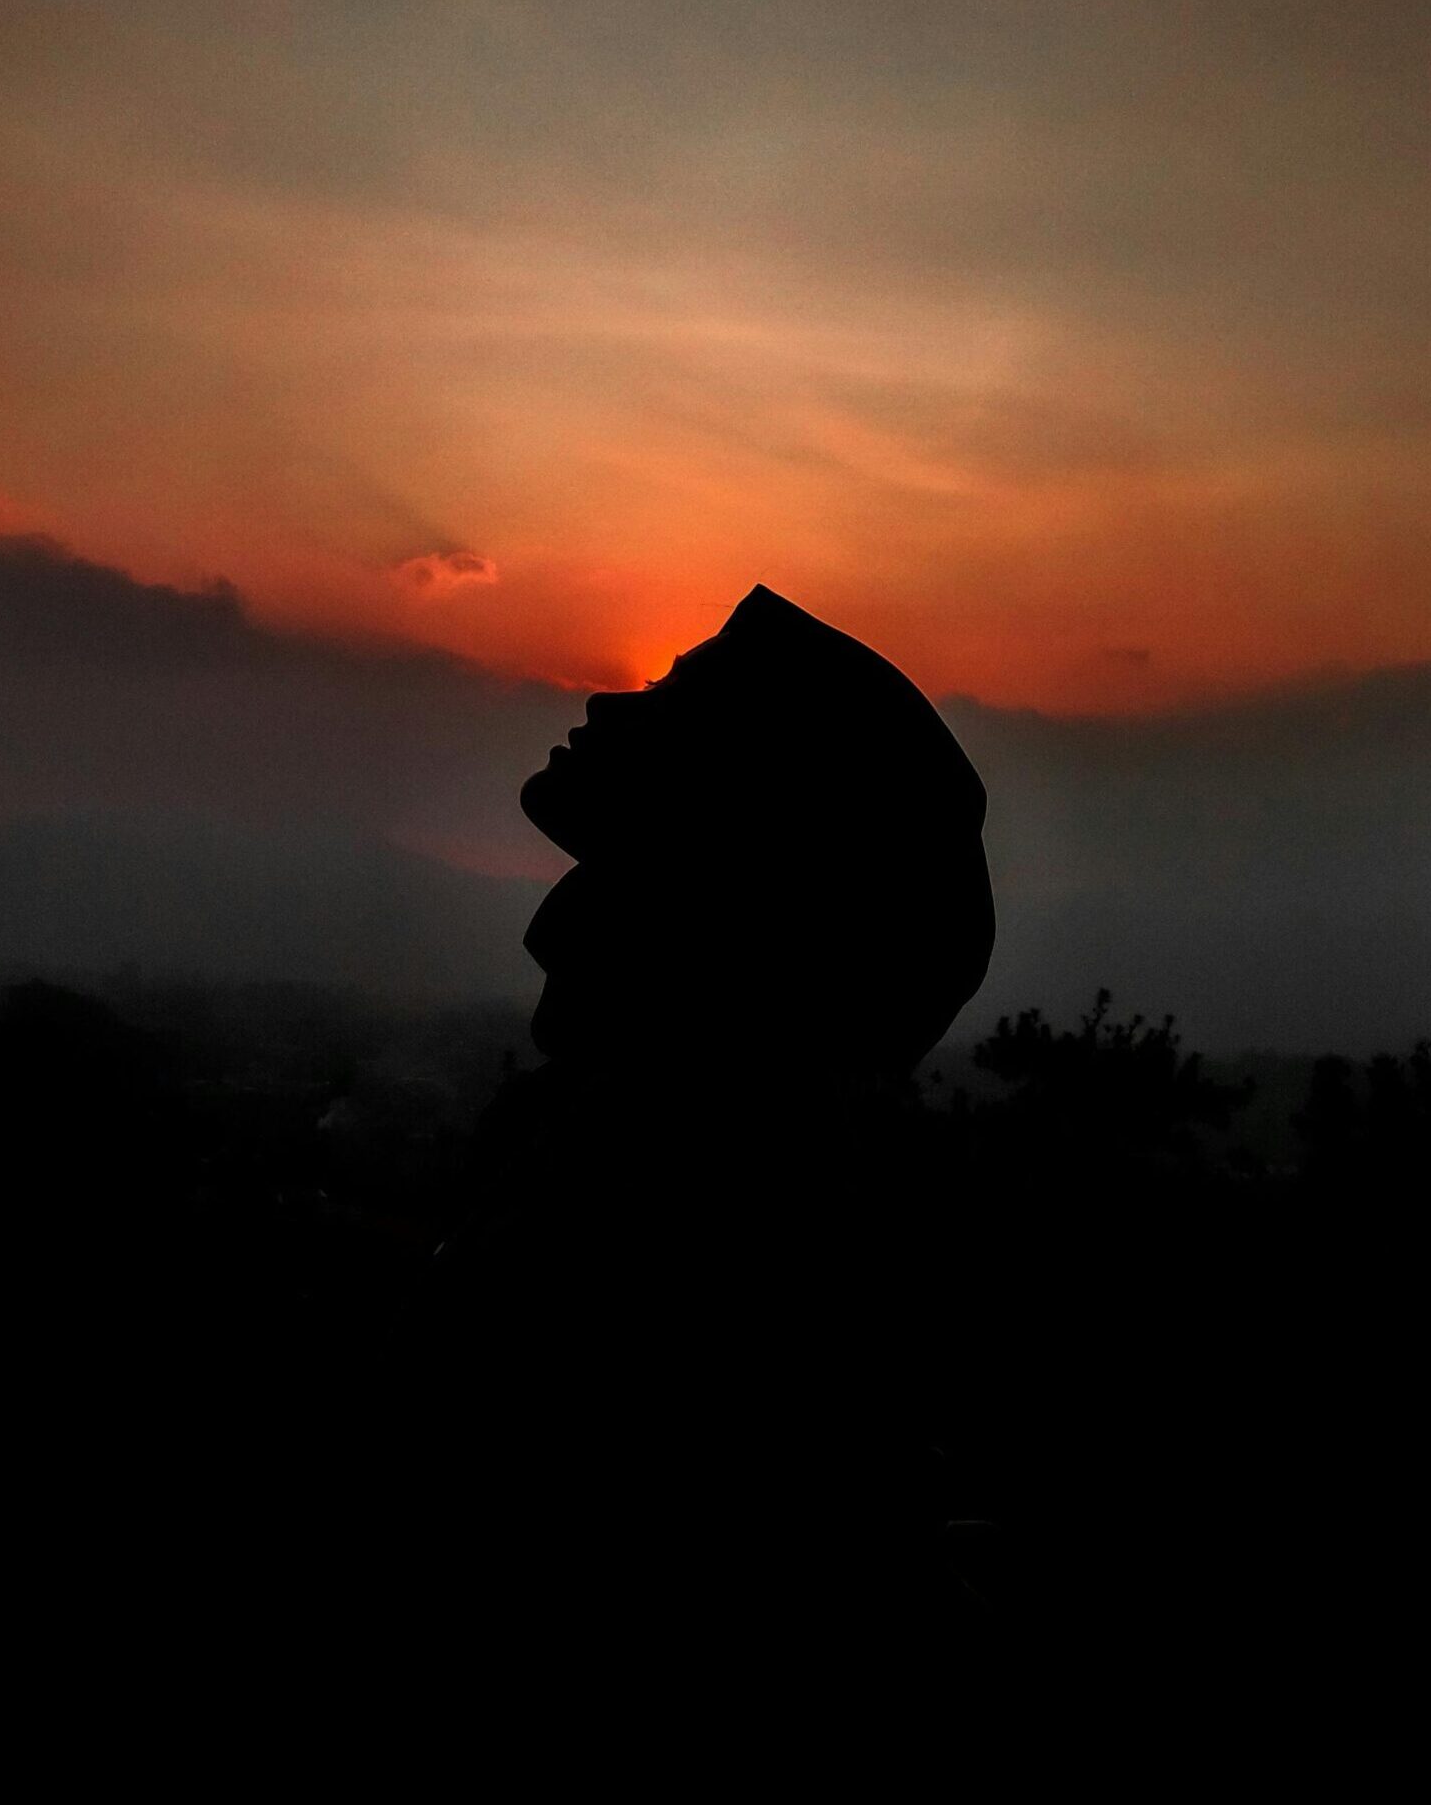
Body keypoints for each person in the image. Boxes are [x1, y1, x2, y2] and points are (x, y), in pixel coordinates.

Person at [411, 584, 994, 1644]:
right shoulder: (665, 1113)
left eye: (671, 697)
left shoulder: (692, 1160)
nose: (604, 701)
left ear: (745, 812)